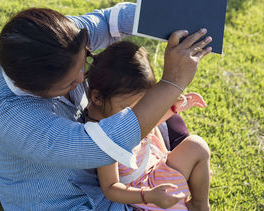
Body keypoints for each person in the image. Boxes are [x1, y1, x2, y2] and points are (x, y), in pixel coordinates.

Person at [0, 3, 212, 210]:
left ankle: (182, 174)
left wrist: (171, 14)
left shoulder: (61, 40)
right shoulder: (10, 116)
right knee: (154, 105)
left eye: (85, 61)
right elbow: (100, 146)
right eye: (70, 82)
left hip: (108, 158)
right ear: (32, 90)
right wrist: (173, 82)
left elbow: (111, 21)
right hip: (69, 200)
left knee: (159, 108)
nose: (83, 79)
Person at [85, 41, 211, 210]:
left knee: (196, 145)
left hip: (159, 166)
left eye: (142, 104)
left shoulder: (116, 112)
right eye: (128, 107)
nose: (137, 113)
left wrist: (173, 108)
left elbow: (147, 126)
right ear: (97, 98)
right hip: (146, 190)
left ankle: (199, 204)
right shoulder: (102, 135)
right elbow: (110, 188)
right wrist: (148, 195)